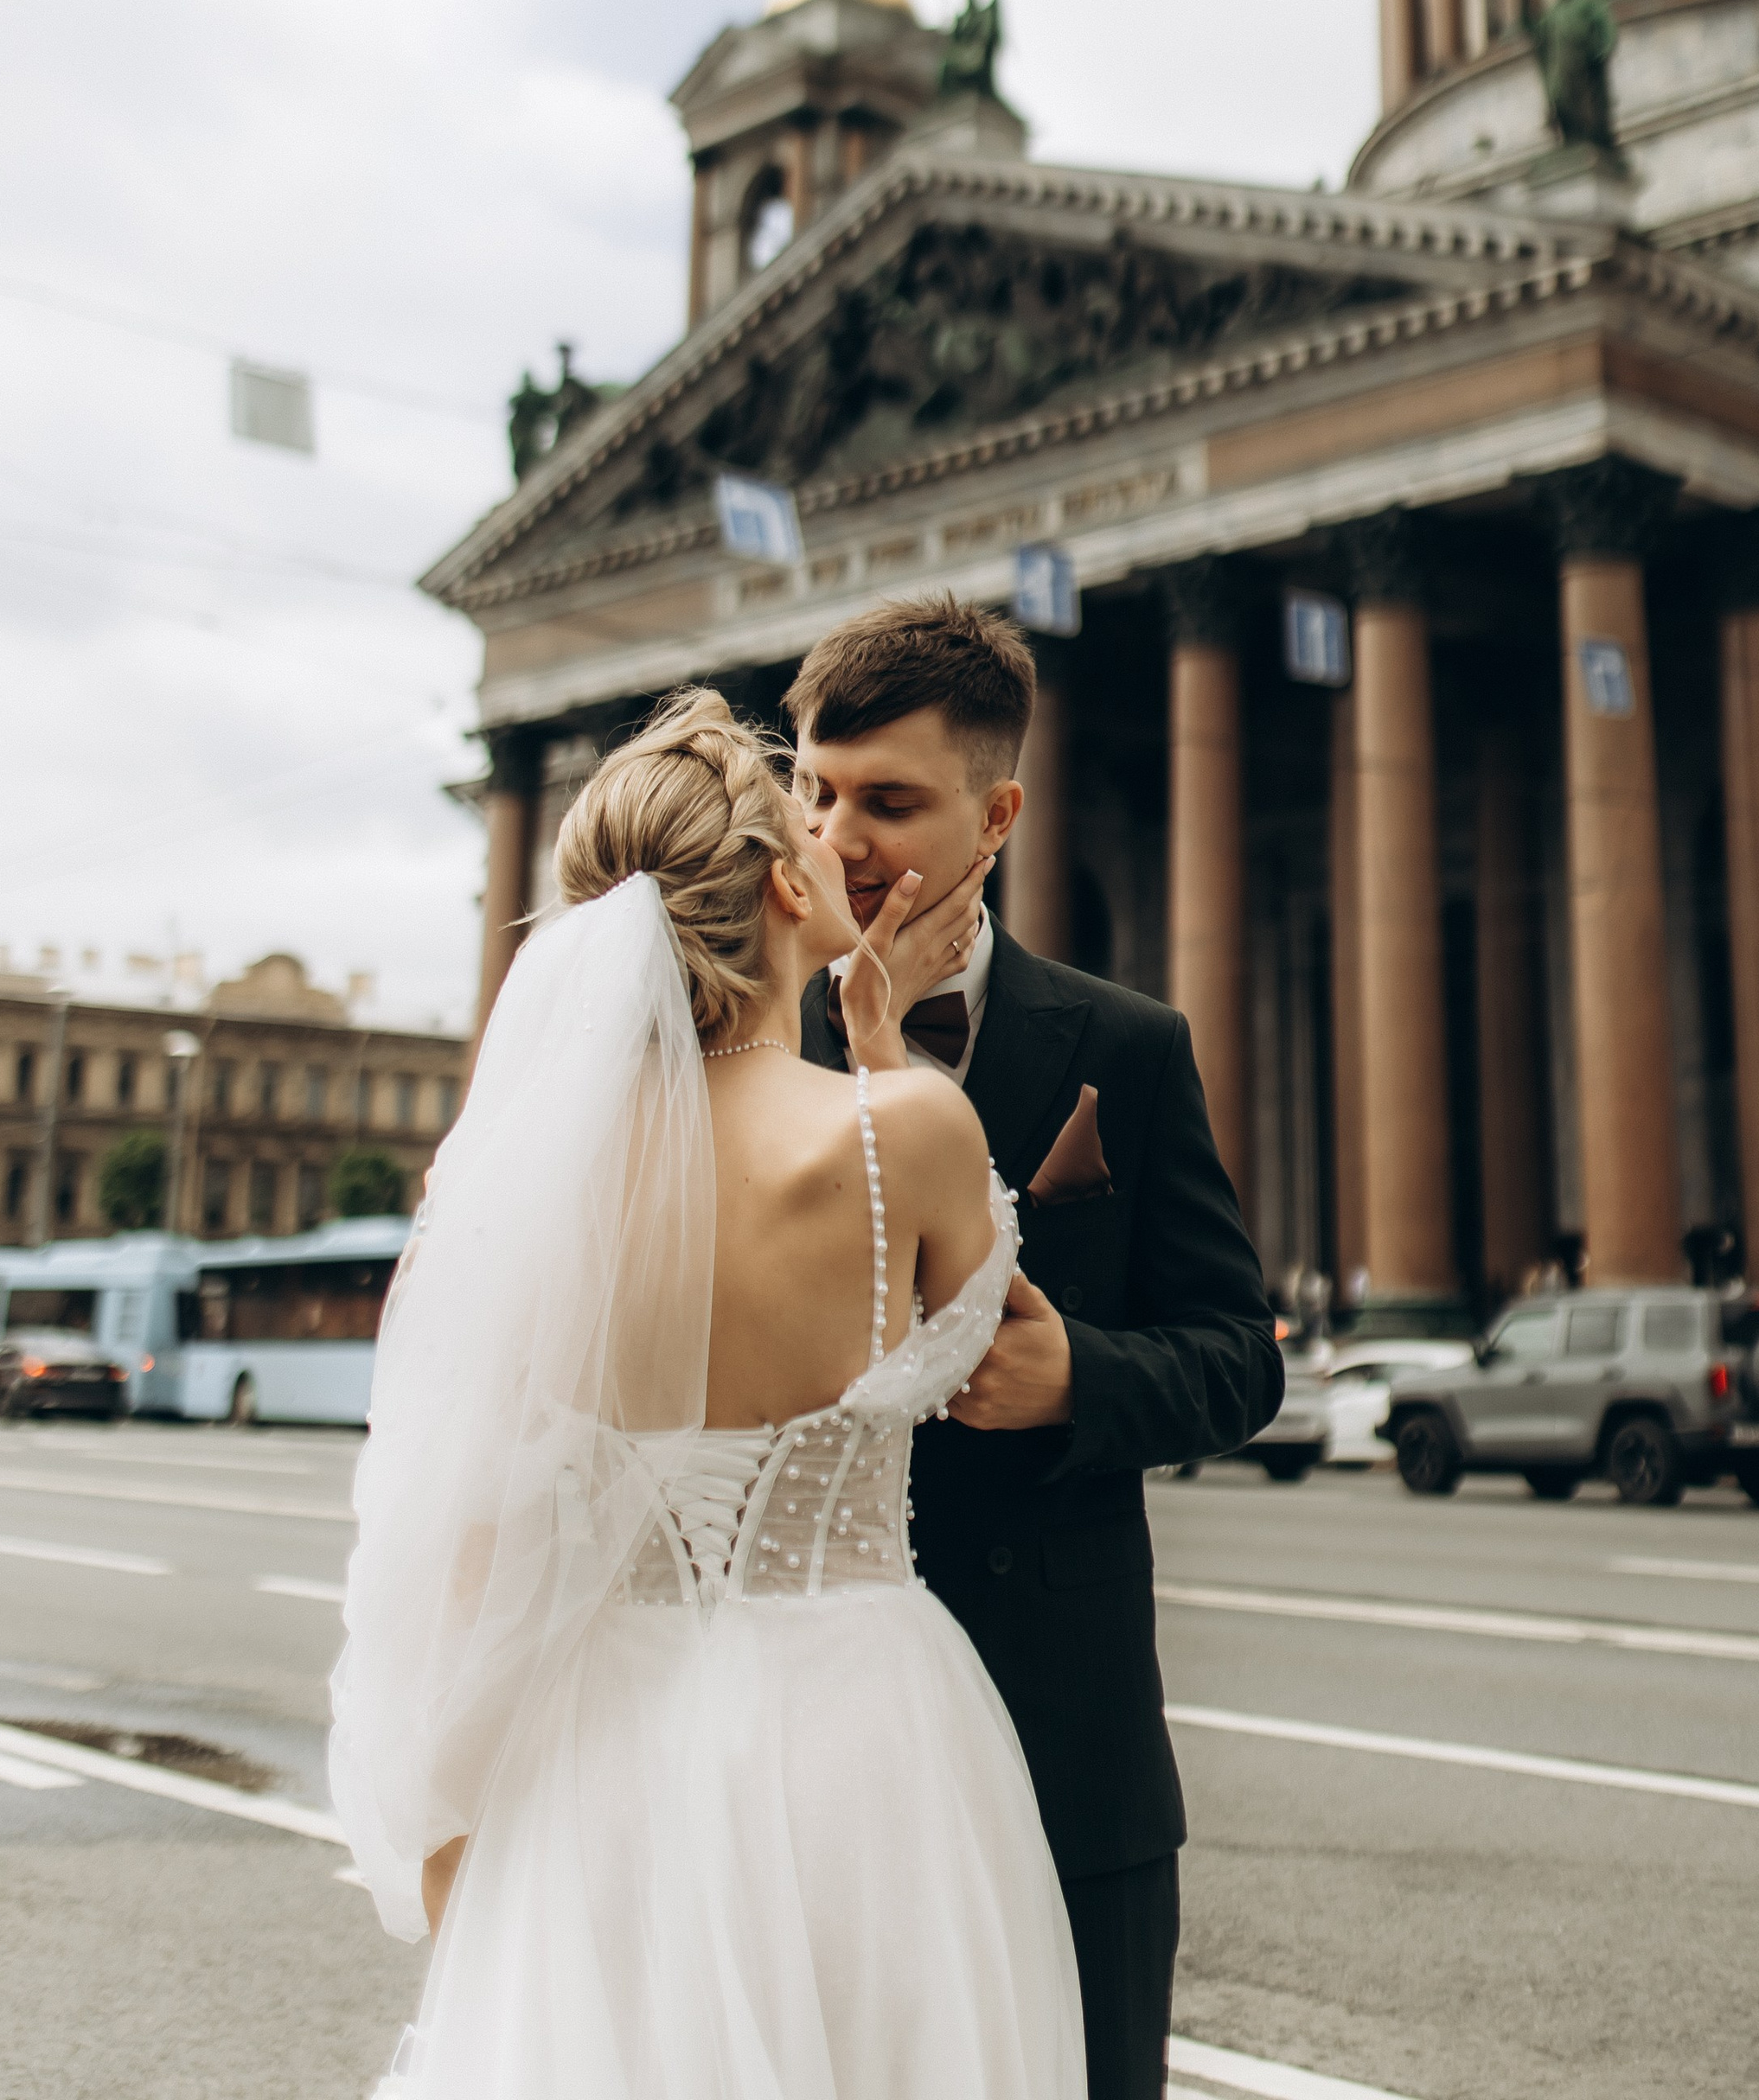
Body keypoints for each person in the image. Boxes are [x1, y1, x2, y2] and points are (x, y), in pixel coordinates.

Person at [329, 690, 1088, 2099]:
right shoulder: (904, 1128)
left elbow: (473, 1540)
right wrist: (875, 1041)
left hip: (600, 1745)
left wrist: (460, 1851)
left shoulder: (520, 1193)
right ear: (789, 886)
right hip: (857, 1729)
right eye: (815, 821)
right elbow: (993, 1327)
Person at [788, 598, 1285, 2100]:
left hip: (1067, 1747)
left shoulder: (1124, 1047)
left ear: (997, 813)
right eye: (817, 791)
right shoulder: (751, 1045)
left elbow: (1237, 1352)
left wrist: (1088, 1382)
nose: (839, 837)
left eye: (889, 801)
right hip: (819, 1729)